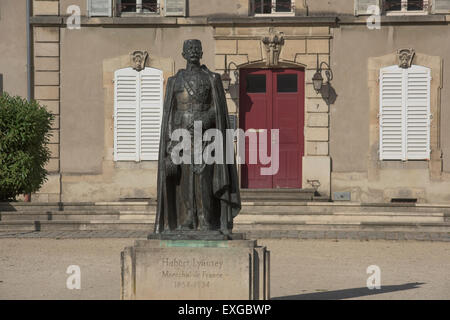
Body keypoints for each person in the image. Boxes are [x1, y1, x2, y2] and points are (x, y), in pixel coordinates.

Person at [154, 39, 241, 236]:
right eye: (189, 49)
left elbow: (217, 110)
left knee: (204, 179)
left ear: (201, 53)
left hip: (205, 137)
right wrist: (170, 145)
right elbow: (169, 114)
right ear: (183, 54)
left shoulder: (212, 78)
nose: (193, 52)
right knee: (184, 180)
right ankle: (187, 219)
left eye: (196, 49)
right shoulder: (175, 81)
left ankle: (206, 219)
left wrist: (204, 118)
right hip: (181, 138)